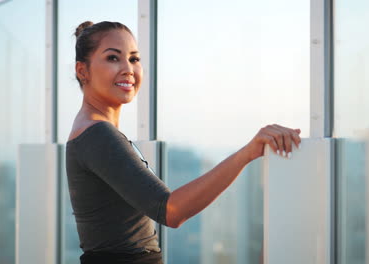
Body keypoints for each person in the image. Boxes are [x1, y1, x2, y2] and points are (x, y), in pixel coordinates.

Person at [66, 21, 302, 264]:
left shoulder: (92, 130)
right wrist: (247, 153)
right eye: (113, 58)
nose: (128, 69)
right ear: (82, 71)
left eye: (134, 59)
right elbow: (171, 210)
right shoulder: (97, 134)